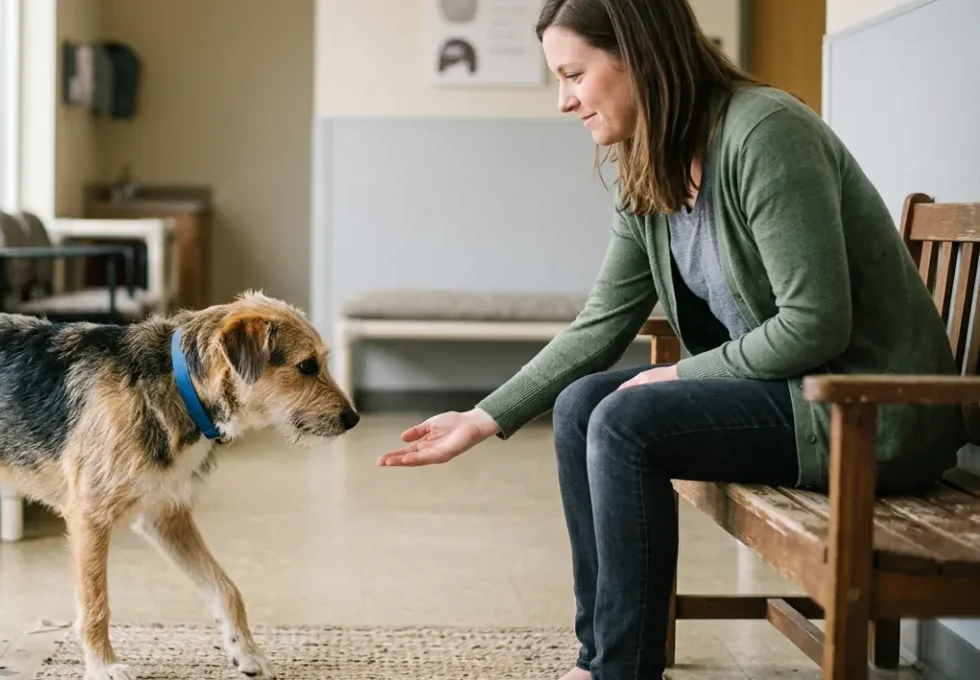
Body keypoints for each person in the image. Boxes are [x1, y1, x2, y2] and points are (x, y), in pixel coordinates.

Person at [377, 1, 968, 679]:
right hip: (797, 396)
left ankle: (621, 673)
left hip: (869, 412)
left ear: (639, 56)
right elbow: (601, 324)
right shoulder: (648, 160)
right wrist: (484, 417)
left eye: (574, 74)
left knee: (630, 420)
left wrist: (681, 377)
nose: (565, 101)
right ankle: (601, 658)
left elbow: (815, 324)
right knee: (579, 406)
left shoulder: (765, 134)